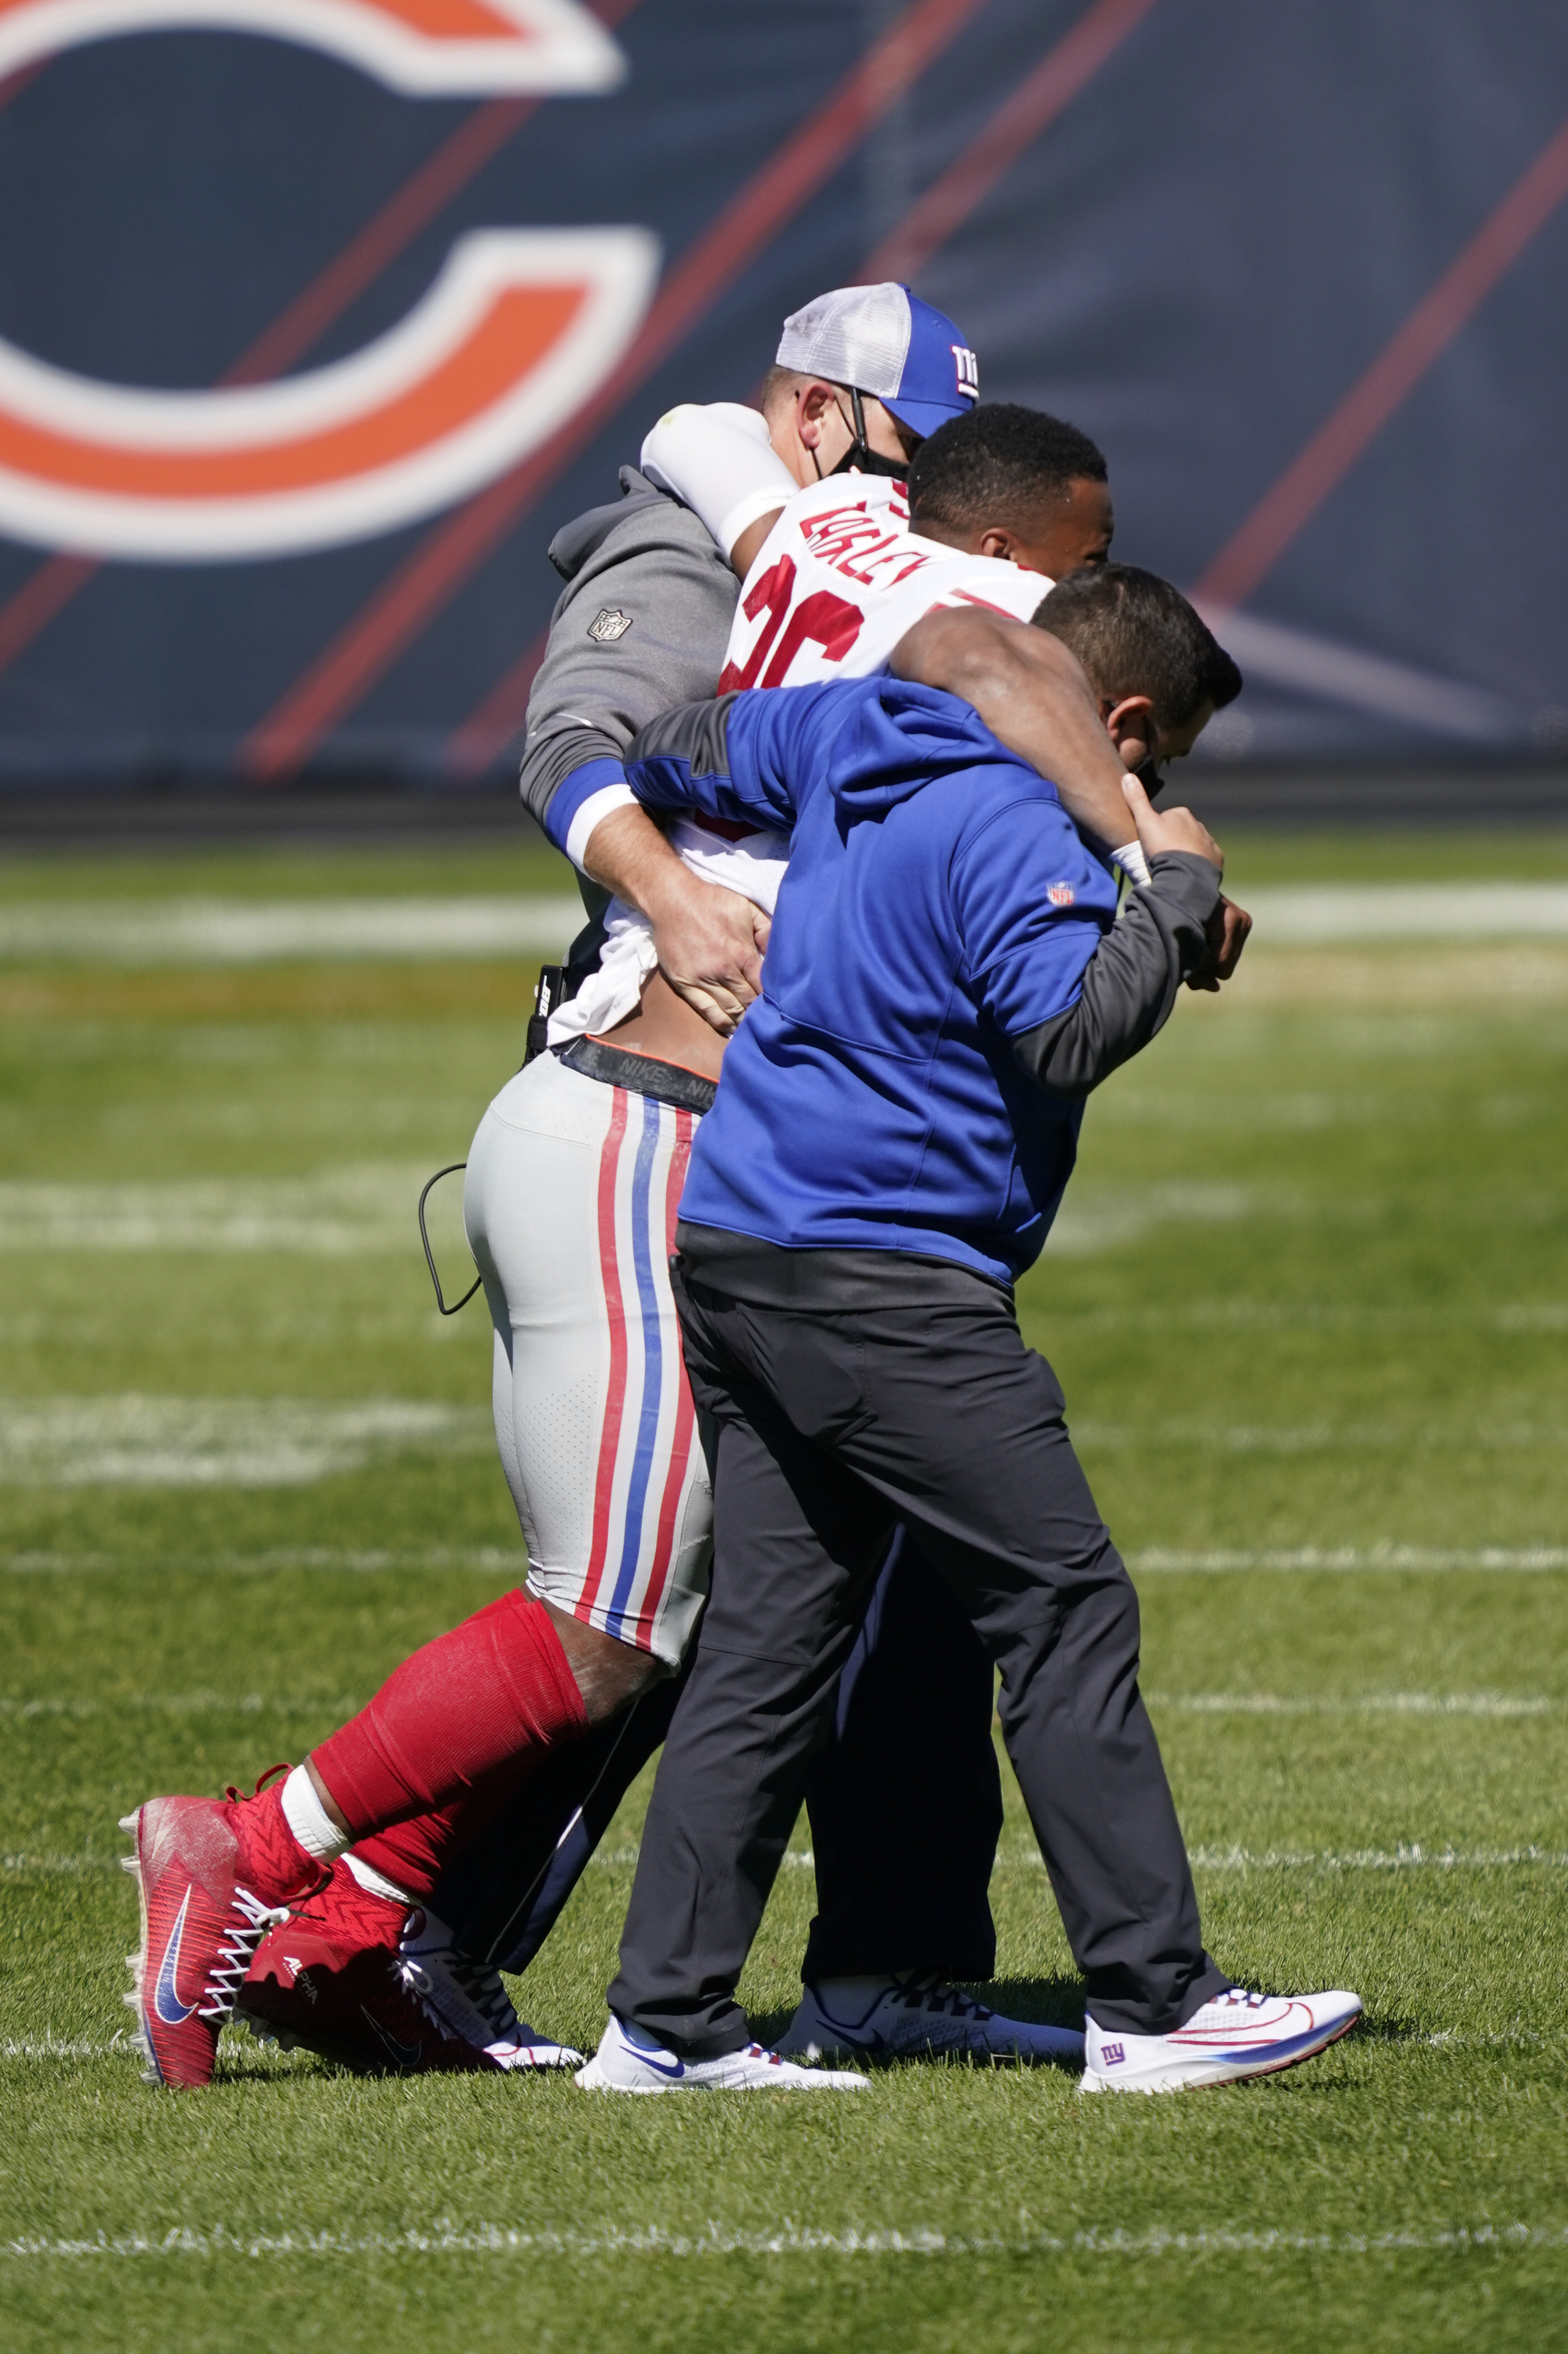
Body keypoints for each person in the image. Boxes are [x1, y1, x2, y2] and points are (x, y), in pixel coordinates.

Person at [116, 307, 1210, 2091]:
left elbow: (737, 556)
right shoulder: (898, 573)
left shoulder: (812, 521)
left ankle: (728, 1960)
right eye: (911, 456)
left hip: (719, 1133)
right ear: (834, 423)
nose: (966, 525)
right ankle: (271, 1848)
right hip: (646, 1113)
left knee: (788, 1589)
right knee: (629, 1613)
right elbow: (605, 723)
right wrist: (1137, 843)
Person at [574, 566, 1362, 2096]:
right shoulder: (1016, 814)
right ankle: (1154, 2000)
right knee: (1062, 1604)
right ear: (1120, 724)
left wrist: (682, 883)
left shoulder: (848, 730)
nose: (1159, 790)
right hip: (885, 1276)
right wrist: (1174, 889)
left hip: (740, 1241)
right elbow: (1067, 1025)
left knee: (771, 1637)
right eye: (1166, 761)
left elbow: (671, 740)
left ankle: (662, 2020)